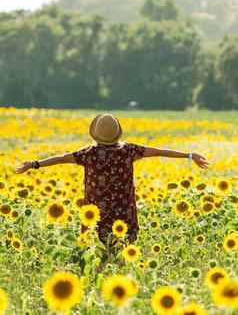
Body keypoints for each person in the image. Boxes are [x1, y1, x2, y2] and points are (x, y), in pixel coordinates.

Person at [15, 113, 209, 270]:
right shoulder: (129, 150)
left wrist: (34, 164)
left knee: (96, 251)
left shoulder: (87, 153)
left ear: (96, 134)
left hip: (95, 213)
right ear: (117, 132)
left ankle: (95, 277)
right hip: (123, 210)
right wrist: (189, 155)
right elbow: (158, 151)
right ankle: (116, 276)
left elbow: (60, 158)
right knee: (122, 251)